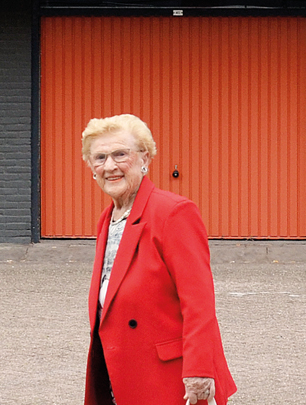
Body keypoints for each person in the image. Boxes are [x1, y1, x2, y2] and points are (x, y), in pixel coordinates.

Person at [82, 114, 237, 405]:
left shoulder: (173, 212)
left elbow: (199, 302)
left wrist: (199, 370)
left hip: (167, 378)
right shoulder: (108, 218)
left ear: (145, 158)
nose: (110, 166)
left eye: (120, 154)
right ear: (91, 167)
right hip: (121, 372)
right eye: (100, 158)